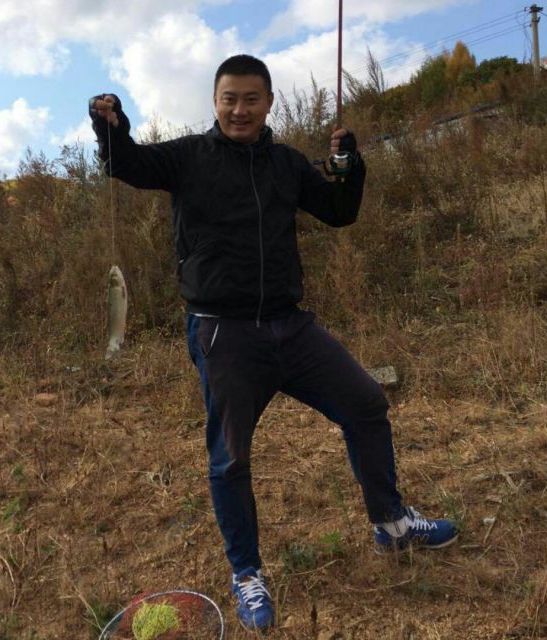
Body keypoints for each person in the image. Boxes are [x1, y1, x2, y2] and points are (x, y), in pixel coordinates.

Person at [89, 54, 458, 632]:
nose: (240, 110)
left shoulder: (286, 164)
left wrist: (349, 164)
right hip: (223, 332)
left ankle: (390, 523)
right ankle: (246, 573)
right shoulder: (187, 157)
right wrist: (110, 128)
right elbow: (127, 164)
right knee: (231, 458)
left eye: (251, 99)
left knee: (366, 404)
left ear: (268, 103)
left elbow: (339, 212)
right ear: (215, 102)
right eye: (229, 99)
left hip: (292, 327)